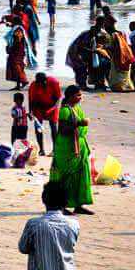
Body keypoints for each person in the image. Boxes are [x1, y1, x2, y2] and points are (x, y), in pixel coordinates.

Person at [49, 86, 94, 215]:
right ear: (70, 96)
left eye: (81, 95)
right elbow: (62, 130)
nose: (80, 98)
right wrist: (80, 123)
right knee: (66, 177)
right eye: (78, 95)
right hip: (67, 148)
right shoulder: (65, 111)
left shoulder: (78, 109)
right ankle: (62, 206)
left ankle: (79, 204)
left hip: (80, 147)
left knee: (81, 175)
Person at [28, 73, 63, 155]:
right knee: (38, 128)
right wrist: (31, 112)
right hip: (39, 107)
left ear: (45, 81)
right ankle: (41, 150)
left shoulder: (54, 82)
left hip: (52, 105)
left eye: (42, 83)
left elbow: (58, 98)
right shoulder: (33, 85)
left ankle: (55, 149)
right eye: (38, 83)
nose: (40, 85)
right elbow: (31, 100)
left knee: (53, 127)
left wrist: (52, 109)